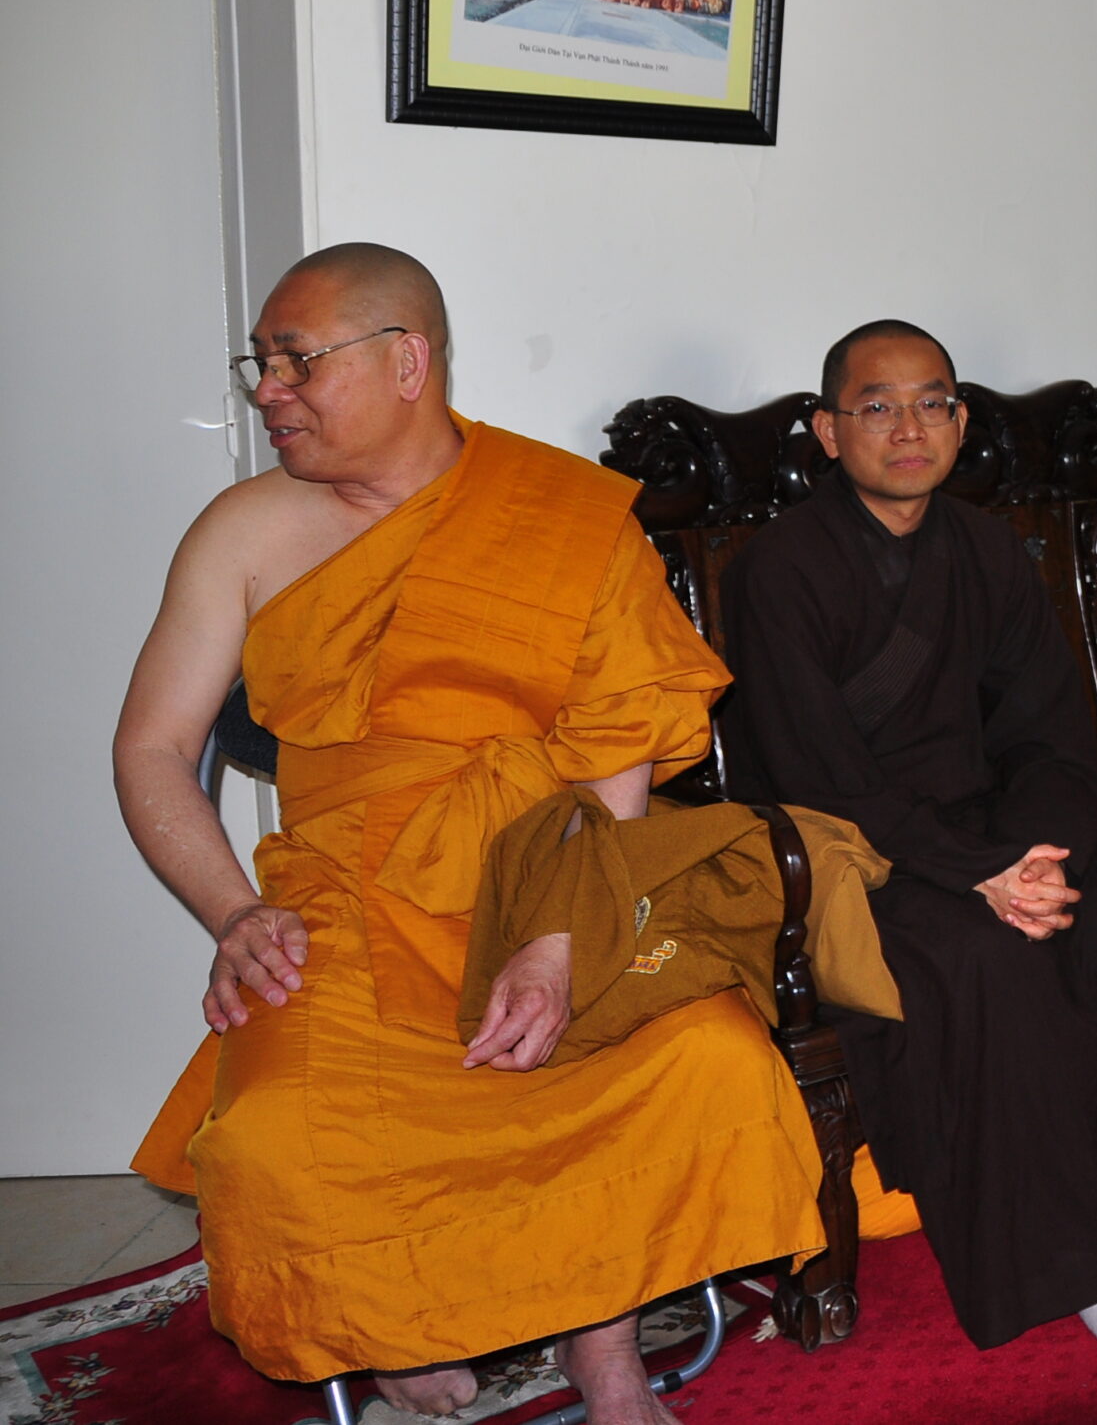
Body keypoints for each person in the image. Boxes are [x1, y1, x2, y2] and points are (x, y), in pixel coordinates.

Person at [113, 245, 822, 1424]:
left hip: (554, 870)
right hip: (343, 893)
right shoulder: (244, 530)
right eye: (261, 364)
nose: (269, 390)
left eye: (297, 360)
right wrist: (235, 913)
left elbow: (613, 763)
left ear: (408, 361)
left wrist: (557, 938)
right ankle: (390, 1314)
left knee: (706, 1055)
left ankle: (604, 1348)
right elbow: (152, 748)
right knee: (280, 1137)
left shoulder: (566, 514)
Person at [717, 321, 1097, 1363]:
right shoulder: (779, 568)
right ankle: (1088, 1264)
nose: (909, 428)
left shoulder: (987, 549)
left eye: (933, 403)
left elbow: (1051, 733)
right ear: (828, 430)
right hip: (858, 862)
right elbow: (820, 774)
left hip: (994, 839)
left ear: (960, 421)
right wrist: (982, 876)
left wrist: (1038, 856)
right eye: (877, 406)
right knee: (986, 960)